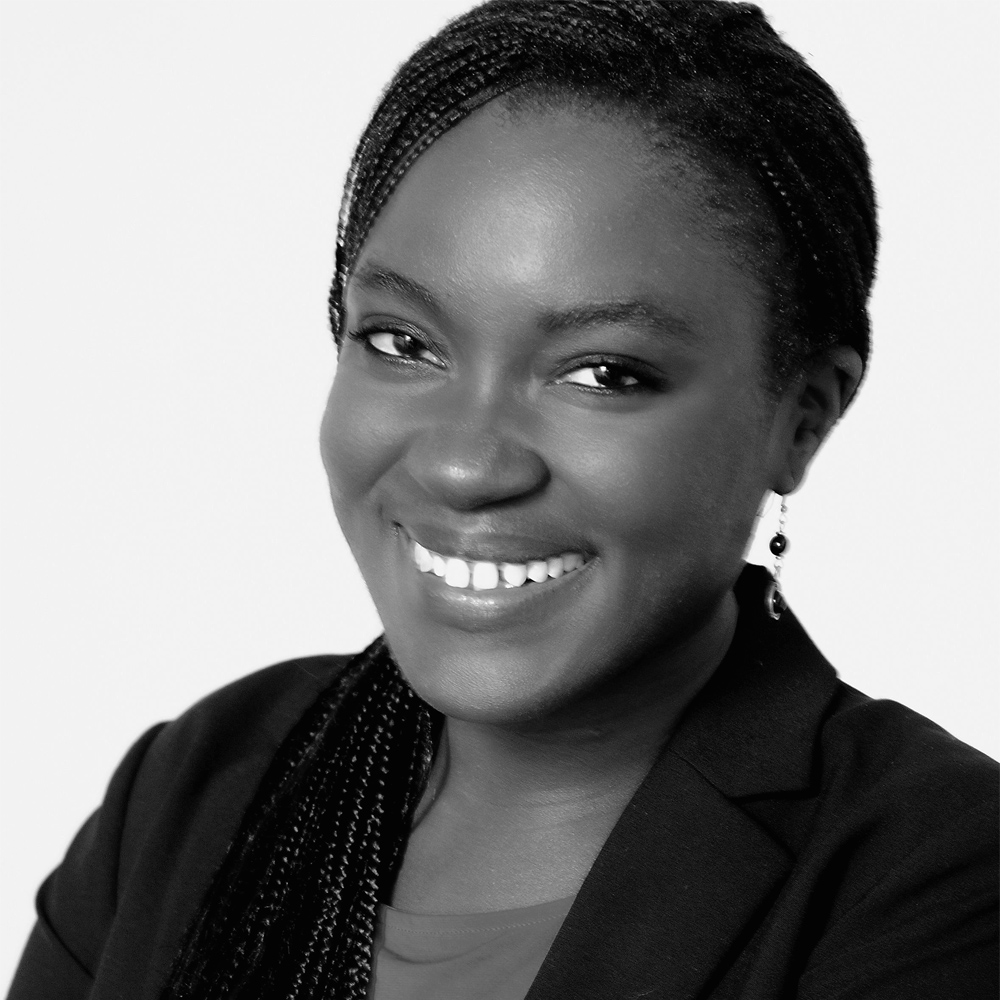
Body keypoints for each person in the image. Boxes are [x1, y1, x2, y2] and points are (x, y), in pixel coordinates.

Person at [8, 2, 997, 998]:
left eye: (603, 373)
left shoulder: (939, 878)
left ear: (803, 417)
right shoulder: (194, 792)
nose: (465, 466)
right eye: (402, 342)